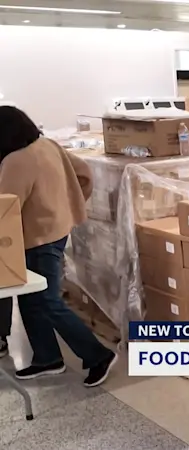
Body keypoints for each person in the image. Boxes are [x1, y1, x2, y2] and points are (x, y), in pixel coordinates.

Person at [0, 106, 117, 387]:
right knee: (31, 299)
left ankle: (98, 355)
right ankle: (47, 358)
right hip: (56, 231)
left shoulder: (17, 160)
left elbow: (4, 207)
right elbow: (84, 174)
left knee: (47, 300)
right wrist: (69, 205)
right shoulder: (47, 145)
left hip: (36, 239)